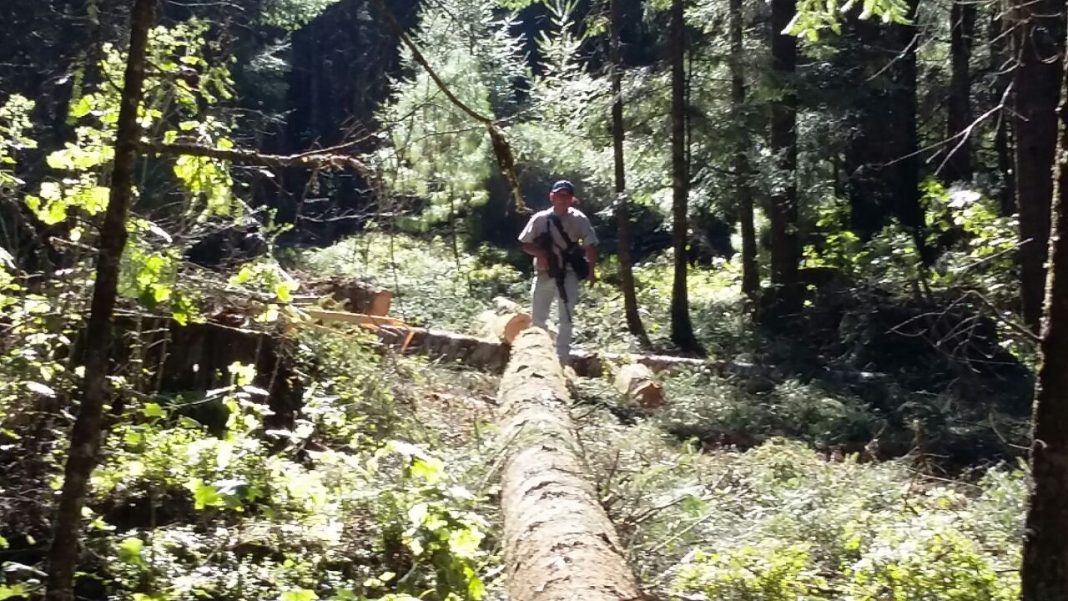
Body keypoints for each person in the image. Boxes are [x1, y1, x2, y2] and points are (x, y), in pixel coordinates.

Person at [518, 179, 599, 364]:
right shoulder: (540, 219)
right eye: (559, 195)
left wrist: (592, 272)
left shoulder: (579, 220)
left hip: (568, 273)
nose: (563, 199)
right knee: (538, 318)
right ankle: (537, 357)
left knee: (566, 319)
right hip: (544, 273)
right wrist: (541, 254)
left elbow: (591, 246)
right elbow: (525, 244)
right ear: (552, 197)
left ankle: (562, 360)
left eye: (567, 196)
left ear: (572, 199)